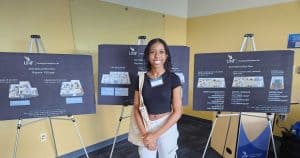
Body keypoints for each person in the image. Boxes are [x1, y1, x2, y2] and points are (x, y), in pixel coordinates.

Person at [133, 38, 182, 158]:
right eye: (152, 52)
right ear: (147, 55)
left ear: (166, 55)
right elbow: (136, 108)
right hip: (146, 125)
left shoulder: (173, 78)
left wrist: (154, 136)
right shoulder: (140, 79)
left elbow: (177, 112)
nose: (157, 56)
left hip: (166, 125)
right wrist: (146, 135)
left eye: (161, 52)